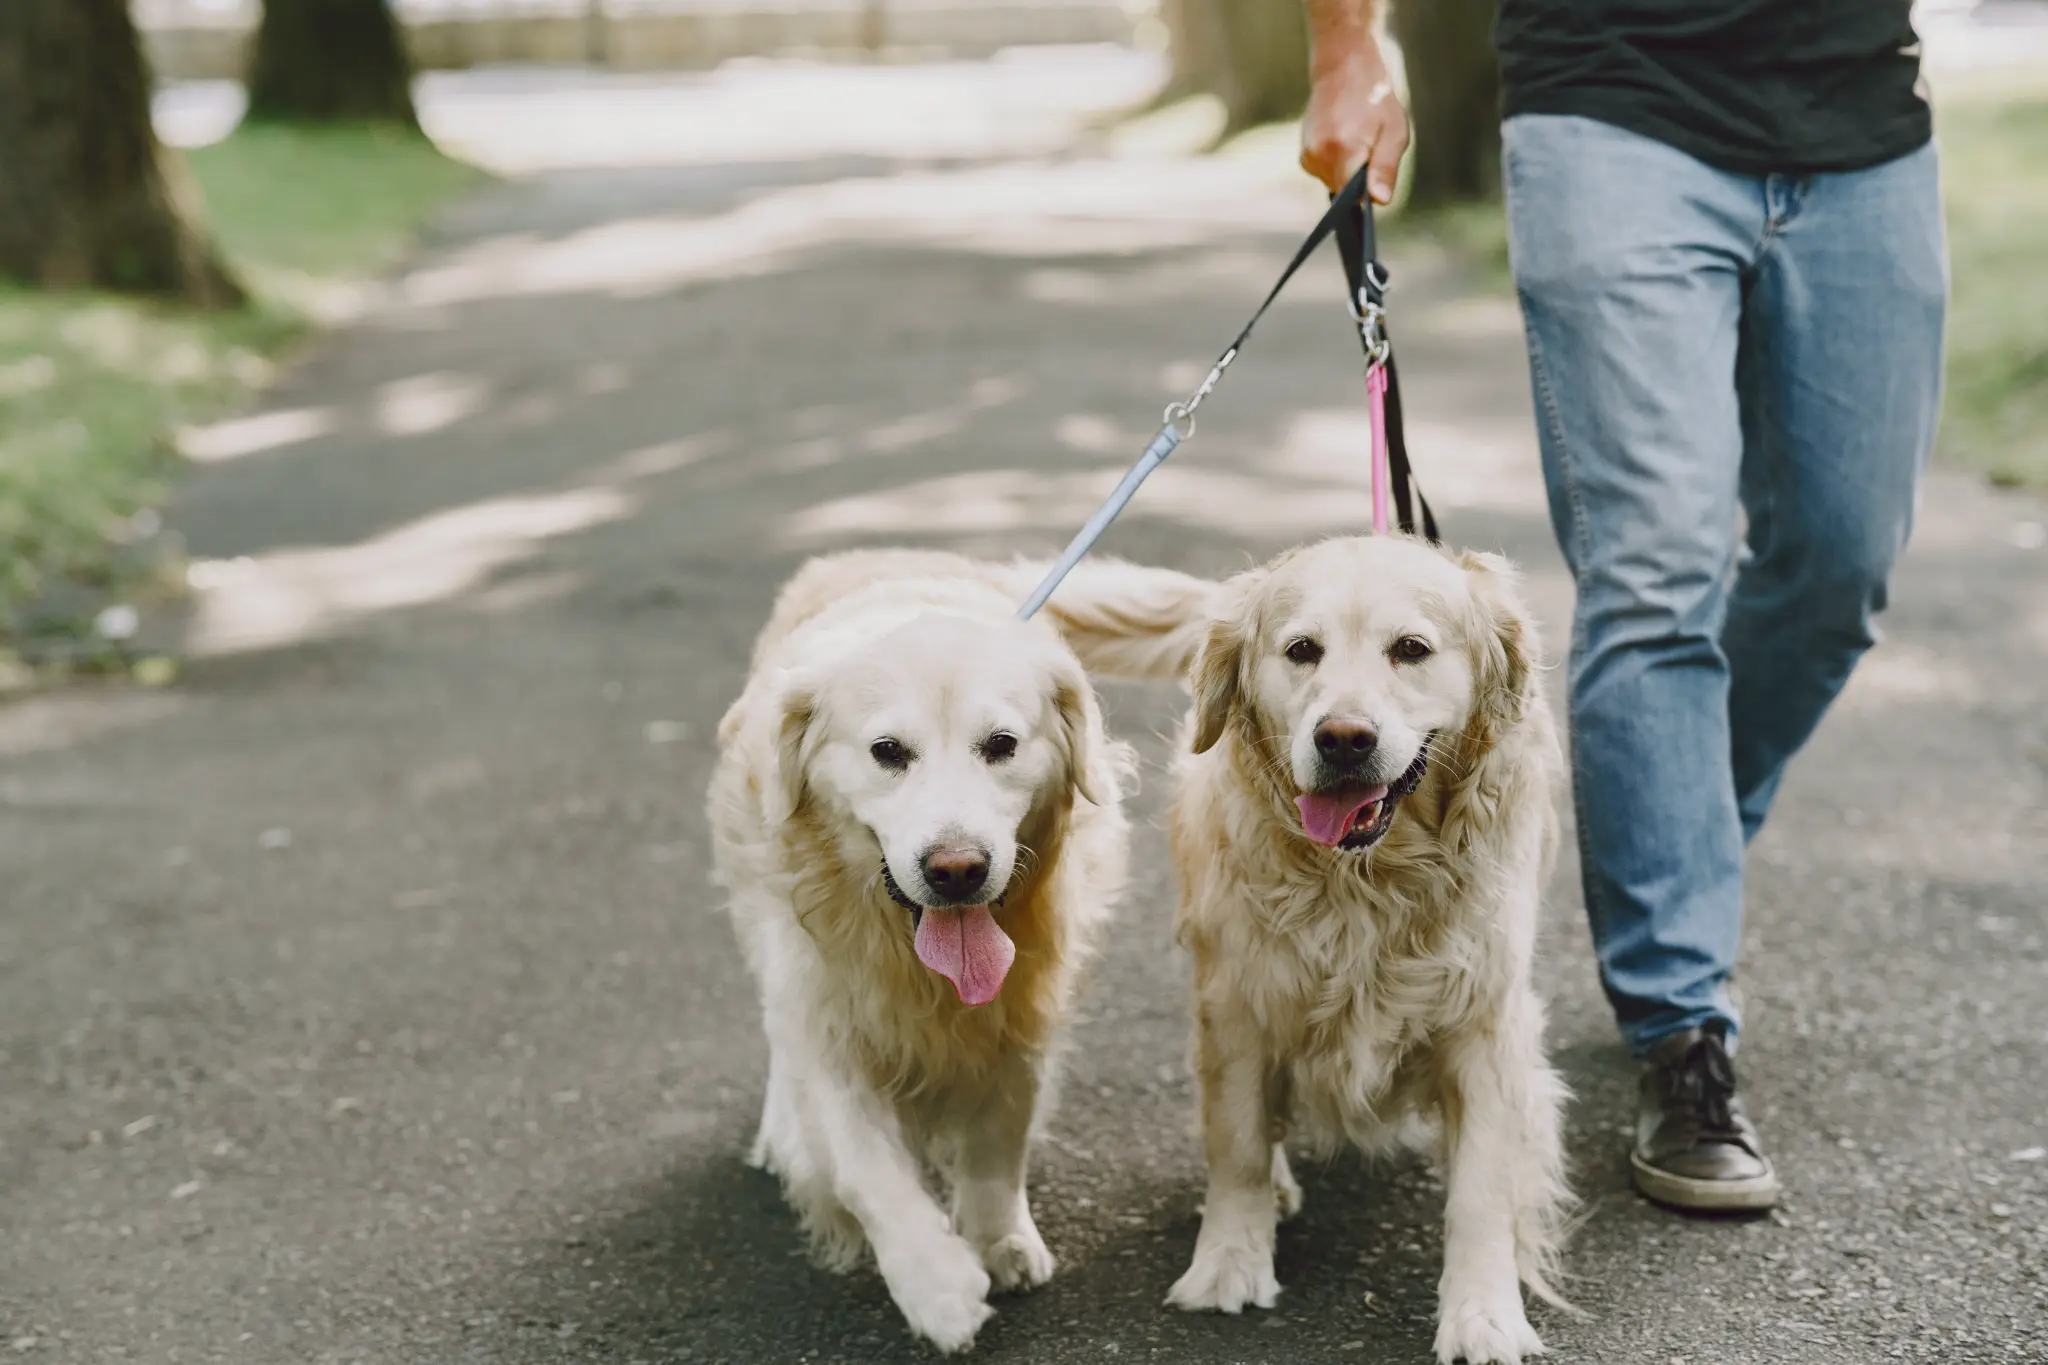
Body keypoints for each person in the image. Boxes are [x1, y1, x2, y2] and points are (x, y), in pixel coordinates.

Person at [1298, 0, 1945, 1212]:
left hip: (1861, 112)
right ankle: (1678, 1029)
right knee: (1652, 571)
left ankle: (1672, 823)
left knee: (1838, 563)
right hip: (1610, 97)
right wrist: (1346, 46)